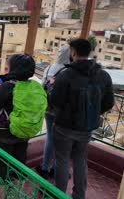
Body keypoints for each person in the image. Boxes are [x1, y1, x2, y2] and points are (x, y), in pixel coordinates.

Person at [50, 39, 114, 199]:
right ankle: (79, 195)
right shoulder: (103, 75)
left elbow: (55, 101)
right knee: (80, 160)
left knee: (62, 160)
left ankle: (59, 194)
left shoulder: (66, 75)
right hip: (87, 127)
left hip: (64, 127)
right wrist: (92, 113)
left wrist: (52, 88)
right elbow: (109, 102)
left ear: (73, 52)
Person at [0, 54, 47, 180]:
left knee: (2, 168)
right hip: (23, 134)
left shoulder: (8, 86)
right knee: (19, 165)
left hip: (4, 135)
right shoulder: (33, 86)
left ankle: (3, 191)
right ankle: (18, 188)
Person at [35, 44, 70, 179]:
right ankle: (56, 169)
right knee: (62, 141)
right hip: (62, 111)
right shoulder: (69, 71)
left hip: (48, 108)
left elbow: (43, 86)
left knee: (50, 137)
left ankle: (44, 167)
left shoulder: (49, 68)